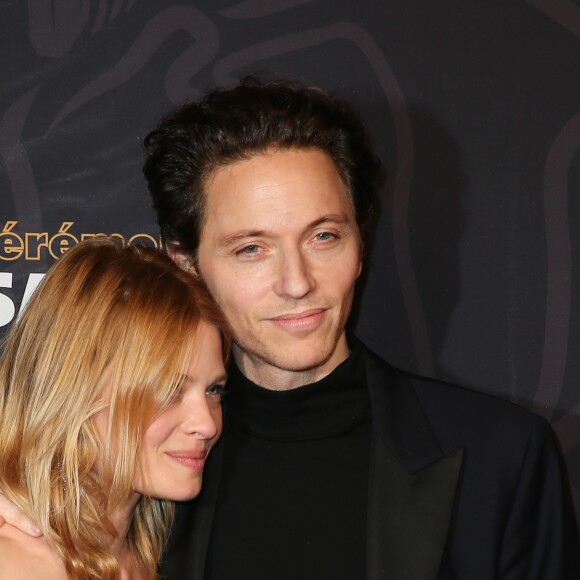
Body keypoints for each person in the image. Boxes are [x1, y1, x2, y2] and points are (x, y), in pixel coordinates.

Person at [3, 79, 580, 578]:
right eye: (252, 248)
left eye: (323, 236)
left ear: (361, 243)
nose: (298, 282)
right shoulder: (150, 455)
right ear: (187, 265)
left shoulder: (499, 456)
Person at [0, 237, 229, 579]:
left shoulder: (148, 559)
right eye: (168, 390)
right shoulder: (16, 564)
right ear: (77, 390)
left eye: (213, 390)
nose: (207, 425)